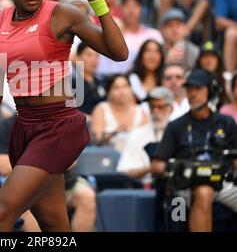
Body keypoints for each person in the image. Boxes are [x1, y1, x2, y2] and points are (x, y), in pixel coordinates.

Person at [0, 0, 127, 232]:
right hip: (24, 129)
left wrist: (98, 3)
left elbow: (119, 52)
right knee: (55, 227)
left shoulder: (63, 13)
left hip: (59, 127)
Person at [151, 68, 237, 232]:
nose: (192, 94)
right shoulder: (176, 126)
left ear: (211, 91)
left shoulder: (227, 123)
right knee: (204, 191)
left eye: (198, 89)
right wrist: (177, 169)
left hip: (222, 181)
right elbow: (156, 165)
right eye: (189, 89)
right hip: (186, 184)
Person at [0, 115, 97, 232]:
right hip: (25, 187)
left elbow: (71, 159)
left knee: (87, 196)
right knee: (25, 206)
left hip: (65, 182)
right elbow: (3, 166)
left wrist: (31, 162)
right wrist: (45, 160)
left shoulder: (60, 120)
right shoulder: (7, 126)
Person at [117, 87, 174, 184]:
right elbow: (124, 172)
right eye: (152, 107)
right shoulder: (137, 134)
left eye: (160, 107)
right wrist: (152, 168)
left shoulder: (178, 131)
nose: (155, 111)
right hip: (143, 186)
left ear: (171, 108)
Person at [91, 74, 149, 152]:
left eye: (125, 87)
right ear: (108, 91)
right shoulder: (101, 109)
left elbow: (147, 138)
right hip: (108, 157)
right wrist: (114, 133)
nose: (122, 92)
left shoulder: (140, 111)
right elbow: (96, 140)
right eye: (116, 88)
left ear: (131, 89)